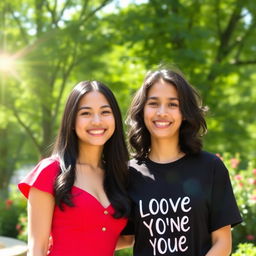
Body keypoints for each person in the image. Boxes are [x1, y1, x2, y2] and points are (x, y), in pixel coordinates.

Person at [119, 68, 242, 256]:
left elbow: (222, 242)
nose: (162, 112)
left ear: (184, 112)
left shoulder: (210, 168)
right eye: (153, 103)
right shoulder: (128, 174)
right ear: (142, 111)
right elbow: (123, 238)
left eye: (172, 104)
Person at [18, 80, 130, 256]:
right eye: (86, 113)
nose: (97, 121)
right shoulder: (51, 171)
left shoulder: (118, 175)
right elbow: (37, 248)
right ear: (71, 120)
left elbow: (103, 238)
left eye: (105, 112)